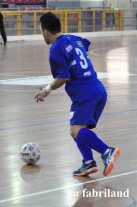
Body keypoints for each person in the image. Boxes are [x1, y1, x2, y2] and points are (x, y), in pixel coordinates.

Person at [35, 12, 120, 177]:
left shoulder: (55, 50)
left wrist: (46, 91)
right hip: (98, 89)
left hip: (84, 93)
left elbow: (63, 77)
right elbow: (84, 46)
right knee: (77, 129)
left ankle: (107, 151)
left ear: (45, 31)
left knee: (76, 130)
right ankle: (88, 162)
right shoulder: (74, 38)